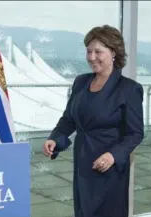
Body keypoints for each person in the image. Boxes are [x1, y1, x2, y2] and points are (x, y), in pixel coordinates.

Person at [43, 25, 144, 217]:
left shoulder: (129, 89)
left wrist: (113, 155)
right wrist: (55, 139)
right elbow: (68, 119)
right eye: (89, 51)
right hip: (82, 163)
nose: (91, 57)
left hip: (109, 167)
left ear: (113, 52)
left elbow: (135, 133)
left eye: (98, 51)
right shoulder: (81, 82)